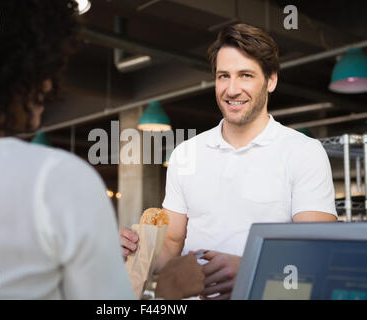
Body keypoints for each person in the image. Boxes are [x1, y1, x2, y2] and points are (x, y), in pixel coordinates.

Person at [0, 0, 205, 300]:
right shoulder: (52, 178)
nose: (49, 83)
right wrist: (167, 294)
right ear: (21, 68)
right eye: (46, 67)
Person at [120, 23, 338, 300]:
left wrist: (252, 270)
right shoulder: (186, 154)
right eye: (224, 76)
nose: (232, 89)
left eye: (245, 75)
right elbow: (171, 246)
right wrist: (136, 251)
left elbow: (316, 252)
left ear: (271, 80)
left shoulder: (303, 152)